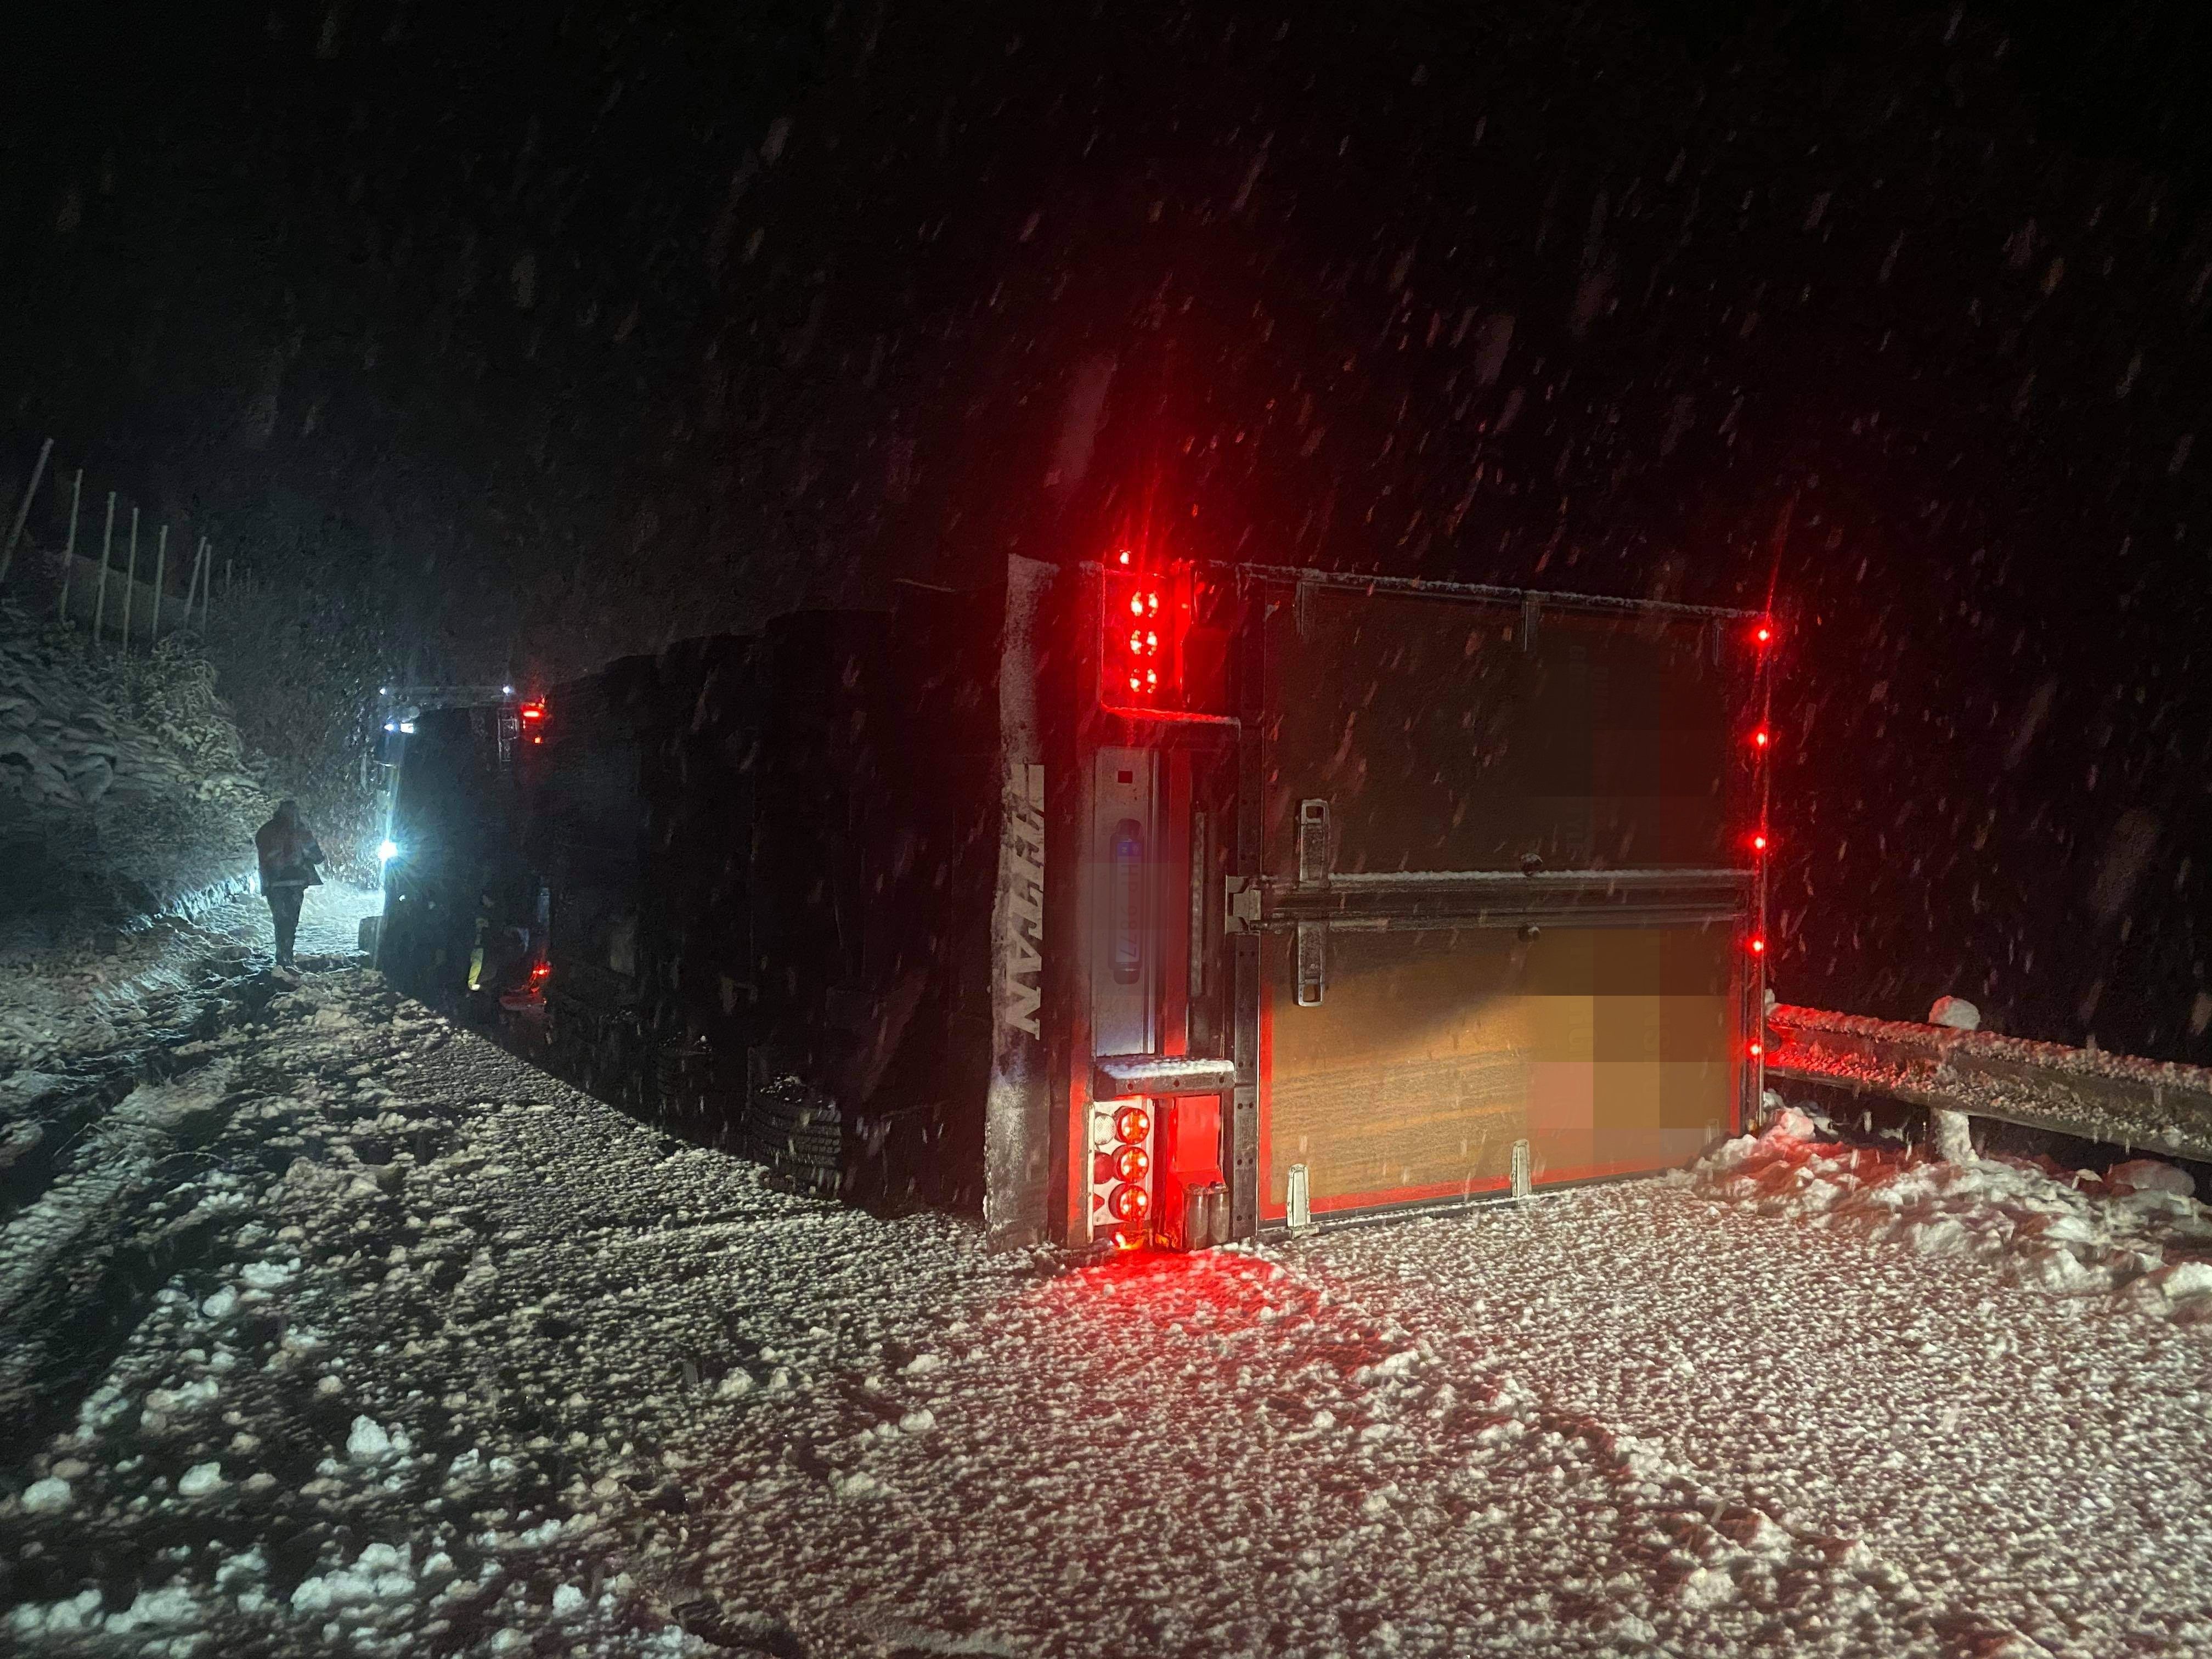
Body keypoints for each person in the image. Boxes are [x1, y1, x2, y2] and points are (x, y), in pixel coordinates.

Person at [254, 799, 325, 968]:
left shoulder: (266, 830)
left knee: (280, 919)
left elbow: (263, 855)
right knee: (291, 920)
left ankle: (283, 954)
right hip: (295, 882)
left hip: (274, 883)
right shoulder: (300, 831)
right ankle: (286, 955)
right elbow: (317, 856)